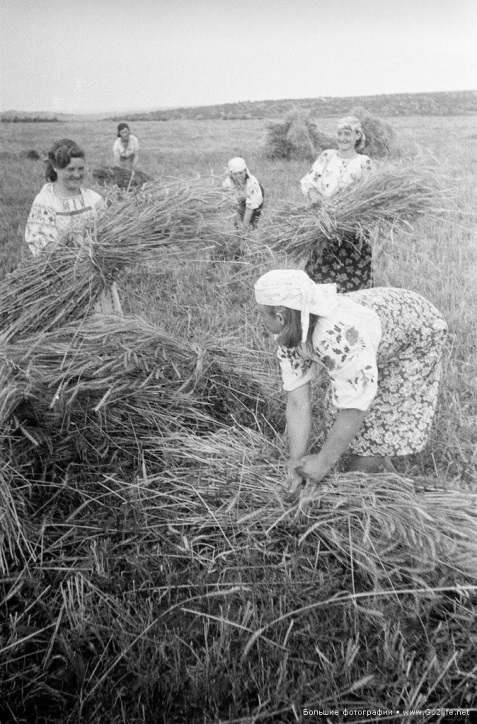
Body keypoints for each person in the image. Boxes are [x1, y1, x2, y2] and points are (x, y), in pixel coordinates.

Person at [255, 269, 447, 497]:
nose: (260, 320)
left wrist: (323, 463)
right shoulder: (290, 332)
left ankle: (359, 490)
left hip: (417, 332)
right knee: (337, 408)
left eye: (261, 314)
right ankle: (392, 482)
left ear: (280, 316)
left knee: (376, 422)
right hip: (374, 334)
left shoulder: (337, 338)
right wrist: (296, 463)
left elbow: (355, 407)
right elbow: (297, 400)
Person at [25, 138, 122, 314]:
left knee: (104, 327)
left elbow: (110, 236)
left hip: (97, 279)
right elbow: (41, 247)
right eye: (70, 169)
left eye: (80, 169)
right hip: (64, 282)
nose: (76, 175)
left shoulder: (93, 199)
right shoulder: (46, 201)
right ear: (55, 167)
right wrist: (69, 238)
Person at [299, 116, 373, 293]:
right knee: (319, 278)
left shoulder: (364, 163)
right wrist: (315, 197)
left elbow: (369, 197)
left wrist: (347, 209)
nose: (342, 138)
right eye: (339, 133)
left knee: (353, 283)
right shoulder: (326, 156)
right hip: (324, 227)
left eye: (347, 134)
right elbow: (309, 181)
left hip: (351, 230)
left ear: (357, 136)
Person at [222, 157, 264, 229]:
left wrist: (245, 226)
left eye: (241, 173)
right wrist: (239, 225)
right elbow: (233, 207)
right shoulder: (227, 184)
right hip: (238, 201)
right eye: (235, 174)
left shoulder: (253, 183)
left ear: (245, 171)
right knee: (238, 226)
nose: (239, 176)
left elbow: (250, 208)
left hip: (254, 200)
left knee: (251, 224)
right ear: (231, 174)